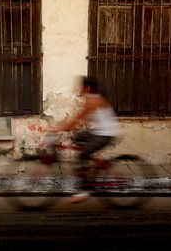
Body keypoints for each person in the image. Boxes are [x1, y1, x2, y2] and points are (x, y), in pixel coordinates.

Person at [51, 76, 120, 204]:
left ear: (88, 88)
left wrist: (58, 129)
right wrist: (64, 127)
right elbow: (77, 120)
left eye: (81, 86)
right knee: (77, 137)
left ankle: (84, 190)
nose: (79, 89)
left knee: (82, 156)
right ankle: (93, 164)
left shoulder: (94, 102)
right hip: (97, 132)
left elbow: (77, 119)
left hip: (105, 134)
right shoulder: (91, 99)